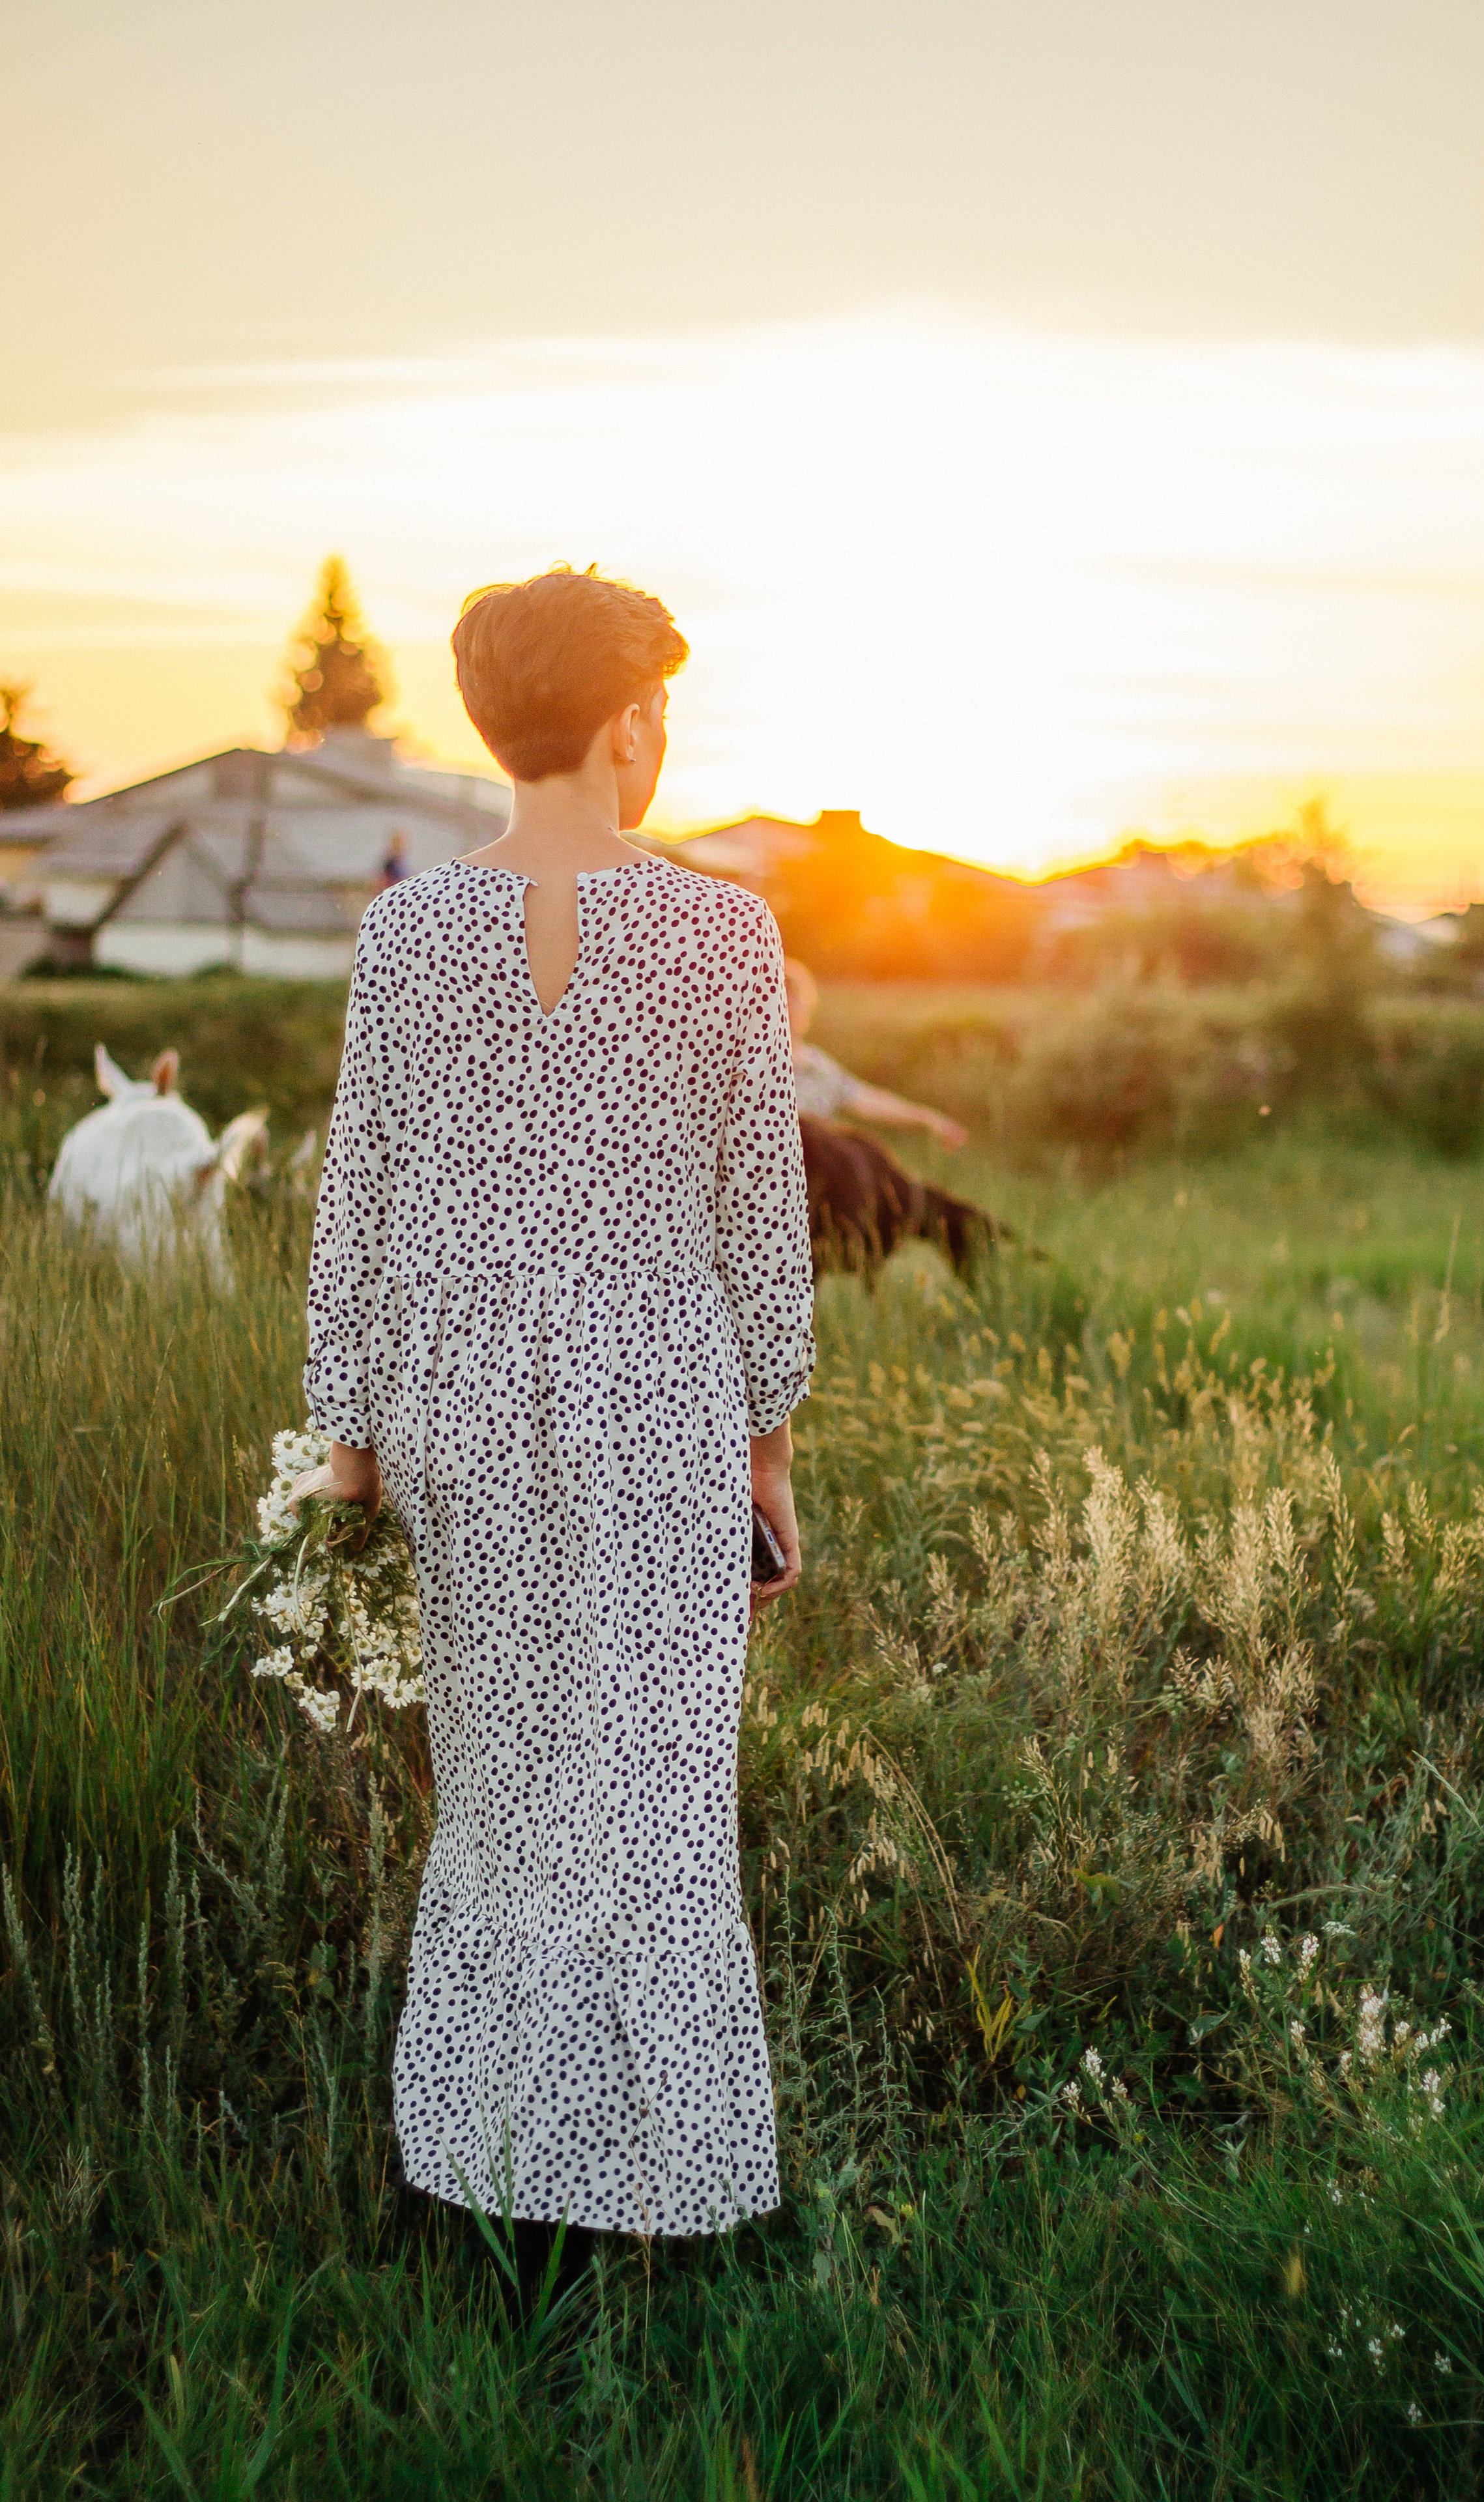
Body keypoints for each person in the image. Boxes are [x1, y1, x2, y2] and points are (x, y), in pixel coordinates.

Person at [298, 564, 815, 2328]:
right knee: (657, 1814)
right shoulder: (723, 936)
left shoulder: (402, 937)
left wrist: (348, 1469)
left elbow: (352, 1209)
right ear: (631, 723)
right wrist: (773, 1471)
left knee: (506, 1811)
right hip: (662, 1410)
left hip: (458, 1422)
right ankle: (657, 2202)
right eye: (661, 706)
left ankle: (499, 2181)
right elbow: (764, 1227)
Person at [784, 957, 968, 1149]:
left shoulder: (817, 1065)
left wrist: (929, 1119)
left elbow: (867, 1100)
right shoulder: (756, 1064)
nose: (791, 1006)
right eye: (785, 996)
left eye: (797, 997)